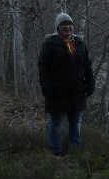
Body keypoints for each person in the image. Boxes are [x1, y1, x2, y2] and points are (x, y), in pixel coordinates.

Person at [38, 13, 95, 156]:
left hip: (77, 92)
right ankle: (55, 151)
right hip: (56, 92)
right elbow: (43, 69)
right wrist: (47, 88)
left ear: (73, 27)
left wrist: (90, 83)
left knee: (75, 122)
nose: (67, 29)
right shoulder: (50, 44)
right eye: (64, 27)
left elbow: (87, 66)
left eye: (69, 26)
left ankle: (75, 150)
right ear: (58, 28)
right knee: (56, 123)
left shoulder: (80, 43)